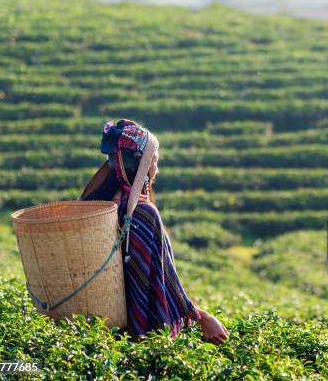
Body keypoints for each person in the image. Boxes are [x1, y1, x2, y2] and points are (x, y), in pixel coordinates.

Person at [80, 119, 229, 344]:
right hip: (131, 332)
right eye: (154, 161)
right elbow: (159, 279)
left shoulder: (96, 208)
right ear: (141, 166)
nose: (156, 169)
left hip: (93, 325)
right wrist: (202, 317)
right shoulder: (142, 214)